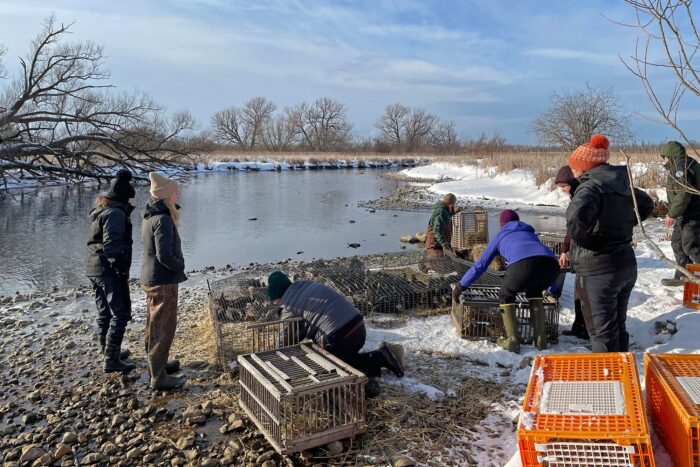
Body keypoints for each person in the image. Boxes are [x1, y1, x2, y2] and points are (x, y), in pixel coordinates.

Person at [566, 134, 654, 353]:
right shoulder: (621, 184)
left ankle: (608, 381)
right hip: (625, 265)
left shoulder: (590, 188)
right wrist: (623, 226)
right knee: (616, 326)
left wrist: (592, 241)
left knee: (601, 332)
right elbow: (647, 204)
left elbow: (575, 221)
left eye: (574, 167)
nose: (573, 172)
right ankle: (622, 374)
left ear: (585, 167)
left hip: (599, 270)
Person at [266, 271, 404, 396]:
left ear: (279, 295)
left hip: (339, 336)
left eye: (275, 299)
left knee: (330, 366)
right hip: (358, 326)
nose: (276, 303)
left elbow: (285, 337)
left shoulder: (289, 306)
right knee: (345, 358)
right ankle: (378, 360)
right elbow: (305, 324)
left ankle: (371, 370)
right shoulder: (305, 285)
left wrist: (274, 357)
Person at [452, 210, 560, 353]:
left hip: (523, 266)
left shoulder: (501, 235)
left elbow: (481, 265)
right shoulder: (530, 233)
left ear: (502, 224)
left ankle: (512, 341)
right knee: (535, 290)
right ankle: (540, 339)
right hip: (552, 266)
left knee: (506, 294)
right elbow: (539, 259)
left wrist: (462, 285)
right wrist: (553, 288)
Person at [86, 169, 137, 373]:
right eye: (131, 200)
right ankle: (111, 359)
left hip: (94, 268)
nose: (133, 203)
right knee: (121, 313)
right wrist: (121, 271)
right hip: (107, 269)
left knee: (104, 312)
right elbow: (113, 245)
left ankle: (107, 350)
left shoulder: (102, 210)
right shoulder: (115, 213)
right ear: (124, 198)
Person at [141, 172, 187, 390]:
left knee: (154, 323)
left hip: (153, 277)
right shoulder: (163, 219)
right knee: (164, 326)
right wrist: (180, 264)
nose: (178, 194)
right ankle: (158, 378)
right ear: (166, 196)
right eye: (175, 191)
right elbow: (164, 255)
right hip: (162, 280)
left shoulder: (151, 216)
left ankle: (156, 367)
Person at [553, 166, 589, 340]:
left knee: (585, 292)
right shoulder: (576, 196)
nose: (563, 190)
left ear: (571, 183)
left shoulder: (584, 196)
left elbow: (574, 228)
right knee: (578, 290)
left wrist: (567, 248)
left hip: (588, 254)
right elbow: (570, 229)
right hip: (579, 252)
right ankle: (579, 327)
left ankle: (588, 330)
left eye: (563, 186)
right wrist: (565, 249)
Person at [659, 141, 700, 286]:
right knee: (677, 243)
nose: (663, 161)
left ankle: (696, 277)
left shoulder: (680, 167)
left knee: (691, 246)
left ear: (670, 156)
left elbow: (684, 193)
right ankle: (684, 274)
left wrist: (672, 214)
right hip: (684, 213)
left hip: (693, 214)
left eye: (663, 157)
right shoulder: (681, 164)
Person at [425, 193, 457, 257]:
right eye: (453, 205)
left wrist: (453, 212)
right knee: (439, 261)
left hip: (439, 245)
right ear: (451, 205)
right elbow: (437, 230)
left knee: (451, 257)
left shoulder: (444, 210)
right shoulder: (441, 212)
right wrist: (443, 243)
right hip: (434, 245)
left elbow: (446, 217)